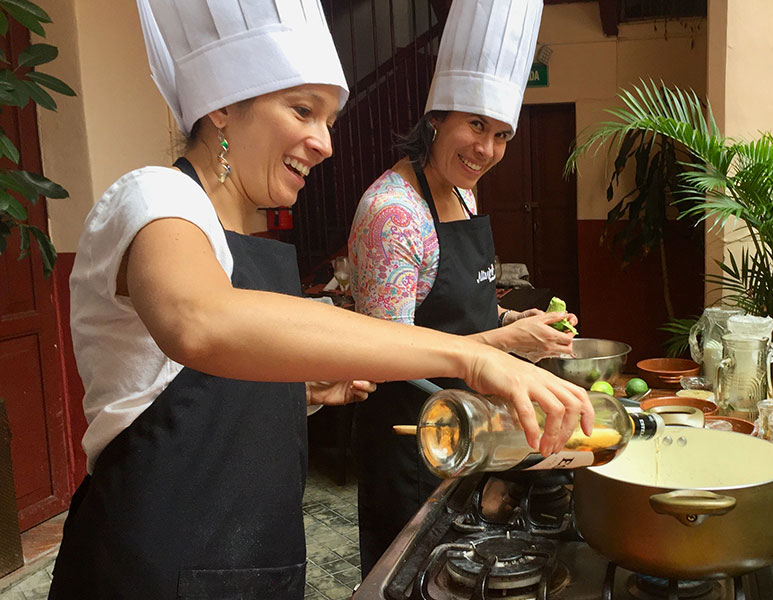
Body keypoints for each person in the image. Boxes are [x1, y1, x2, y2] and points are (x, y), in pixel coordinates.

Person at [47, 1, 591, 598]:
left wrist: (294, 392)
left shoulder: (247, 236)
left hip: (253, 558)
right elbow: (200, 323)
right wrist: (475, 356)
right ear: (223, 105)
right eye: (303, 111)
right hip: (153, 562)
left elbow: (191, 386)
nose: (325, 143)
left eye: (329, 119)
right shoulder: (154, 198)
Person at [346, 0, 575, 575]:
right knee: (413, 580)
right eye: (475, 126)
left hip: (470, 430)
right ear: (435, 120)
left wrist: (512, 326)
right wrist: (505, 346)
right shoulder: (393, 213)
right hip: (414, 443)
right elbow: (386, 356)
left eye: (501, 135)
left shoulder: (463, 192)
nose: (487, 150)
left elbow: (454, 311)